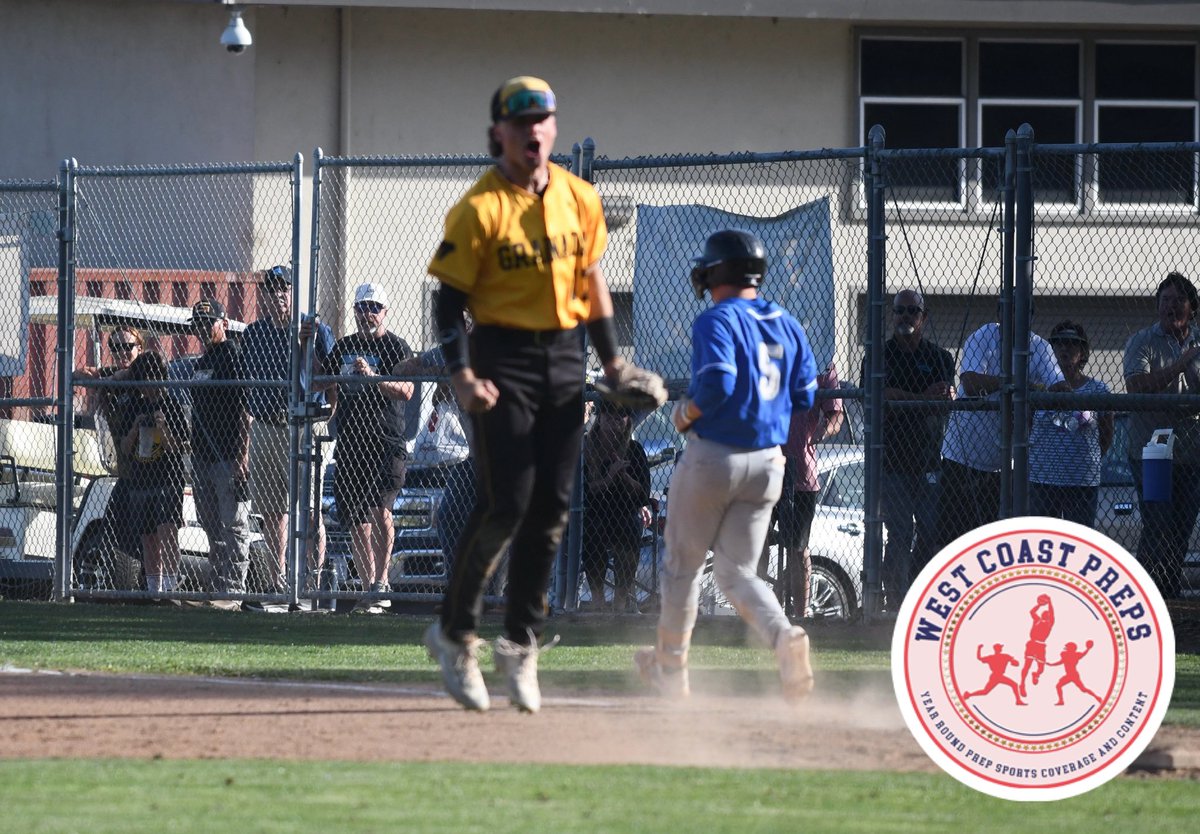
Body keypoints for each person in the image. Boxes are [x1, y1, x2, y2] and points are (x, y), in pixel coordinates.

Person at [425, 75, 661, 713]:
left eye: (543, 119)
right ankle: (456, 633)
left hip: (564, 358)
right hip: (502, 357)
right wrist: (462, 374)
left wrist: (613, 362)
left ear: (553, 128)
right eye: (519, 120)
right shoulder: (480, 208)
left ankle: (520, 643)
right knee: (509, 502)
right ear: (497, 134)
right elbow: (448, 302)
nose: (533, 130)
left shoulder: (580, 198)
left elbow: (590, 281)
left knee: (553, 509)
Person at [634, 228, 818, 702]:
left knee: (682, 568)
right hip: (770, 464)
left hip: (714, 455)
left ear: (718, 273)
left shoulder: (716, 319)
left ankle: (671, 674)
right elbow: (806, 395)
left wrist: (682, 413)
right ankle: (784, 637)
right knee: (737, 573)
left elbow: (716, 382)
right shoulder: (788, 322)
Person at [934, 307, 1068, 556]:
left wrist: (1047, 393)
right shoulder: (984, 336)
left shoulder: (1040, 348)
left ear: (1031, 316)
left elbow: (1058, 386)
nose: (1015, 318)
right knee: (950, 542)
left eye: (1022, 312)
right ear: (1000, 313)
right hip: (962, 456)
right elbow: (971, 383)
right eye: (1010, 311)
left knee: (994, 544)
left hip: (1004, 464)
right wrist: (1014, 384)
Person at [242, 265, 335, 601]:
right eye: (272, 289)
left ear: (294, 292)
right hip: (267, 425)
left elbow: (331, 380)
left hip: (304, 426)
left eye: (284, 288)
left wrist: (327, 414)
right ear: (264, 294)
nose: (278, 295)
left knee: (310, 510)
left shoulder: (315, 329)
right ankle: (277, 580)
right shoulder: (254, 334)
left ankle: (313, 579)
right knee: (272, 510)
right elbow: (246, 389)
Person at [861, 290, 955, 609]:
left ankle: (921, 598)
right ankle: (896, 604)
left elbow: (942, 399)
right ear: (892, 315)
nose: (905, 317)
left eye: (912, 311)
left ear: (923, 317)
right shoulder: (878, 356)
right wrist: (922, 398)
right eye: (899, 311)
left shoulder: (940, 358)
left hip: (929, 462)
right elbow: (879, 397)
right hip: (892, 463)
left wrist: (943, 396)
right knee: (899, 534)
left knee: (929, 534)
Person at [325, 282, 414, 614]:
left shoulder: (396, 347)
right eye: (362, 307)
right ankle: (368, 590)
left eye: (374, 307)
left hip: (385, 442)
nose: (368, 314)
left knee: (381, 510)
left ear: (385, 311)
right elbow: (326, 380)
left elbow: (406, 390)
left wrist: (372, 376)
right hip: (350, 441)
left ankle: (382, 582)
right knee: (356, 518)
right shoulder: (344, 346)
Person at [1123, 271, 1200, 599]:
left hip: (1191, 452)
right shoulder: (1143, 341)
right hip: (1152, 453)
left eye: (1178, 300)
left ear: (1191, 308)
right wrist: (1182, 364)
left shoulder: (1198, 342)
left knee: (1182, 527)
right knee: (1158, 525)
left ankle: (1168, 595)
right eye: (1165, 300)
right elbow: (1137, 385)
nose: (1171, 306)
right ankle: (1141, 594)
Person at [188, 297, 252, 610]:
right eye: (197, 324)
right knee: (211, 527)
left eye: (207, 323)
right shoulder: (201, 362)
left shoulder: (233, 356)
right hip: (201, 456)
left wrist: (243, 456)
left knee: (234, 525)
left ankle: (232, 591)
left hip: (227, 454)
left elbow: (244, 410)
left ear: (223, 324)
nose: (202, 329)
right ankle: (214, 586)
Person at [114, 350, 188, 598]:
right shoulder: (135, 405)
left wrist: (163, 428)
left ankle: (170, 587)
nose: (144, 385)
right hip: (141, 477)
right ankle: (152, 589)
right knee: (147, 536)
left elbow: (181, 446)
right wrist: (135, 427)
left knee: (167, 531)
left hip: (167, 478)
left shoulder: (172, 406)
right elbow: (124, 447)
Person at [1028, 321, 1113, 526]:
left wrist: (1088, 458)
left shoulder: (1097, 390)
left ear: (1083, 352)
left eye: (1072, 344)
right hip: (1043, 478)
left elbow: (1107, 433)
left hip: (1081, 480)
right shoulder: (1038, 387)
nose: (1065, 349)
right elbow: (1026, 425)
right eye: (1059, 344)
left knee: (1079, 540)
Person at [73, 325, 145, 562]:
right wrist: (104, 378)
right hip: (125, 472)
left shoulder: (146, 372)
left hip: (149, 471)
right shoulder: (111, 376)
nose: (122, 352)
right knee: (115, 529)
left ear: (140, 348)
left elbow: (136, 374)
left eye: (127, 347)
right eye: (115, 347)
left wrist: (112, 379)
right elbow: (76, 375)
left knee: (144, 534)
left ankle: (156, 586)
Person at [776, 365, 842, 617]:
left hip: (801, 474)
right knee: (756, 540)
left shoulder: (822, 366)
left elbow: (835, 415)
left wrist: (825, 430)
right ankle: (758, 609)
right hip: (764, 467)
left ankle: (800, 616)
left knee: (797, 548)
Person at [582, 400, 651, 613]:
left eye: (621, 417)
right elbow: (583, 491)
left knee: (629, 530)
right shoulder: (587, 445)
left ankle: (622, 598)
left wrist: (624, 476)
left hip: (625, 511)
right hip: (594, 511)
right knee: (593, 532)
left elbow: (643, 494)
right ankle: (598, 598)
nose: (615, 422)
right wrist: (609, 476)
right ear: (600, 419)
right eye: (609, 416)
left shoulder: (634, 449)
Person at [961, 643, 1026, 706]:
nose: (1001, 649)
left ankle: (969, 695)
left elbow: (979, 658)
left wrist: (979, 649)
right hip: (996, 676)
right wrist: (979, 648)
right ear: (999, 649)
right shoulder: (1003, 656)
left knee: (985, 691)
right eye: (1000, 648)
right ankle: (969, 694)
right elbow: (1016, 663)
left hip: (995, 676)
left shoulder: (998, 657)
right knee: (1014, 685)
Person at [1018, 593, 1054, 699]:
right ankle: (1022, 684)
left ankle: (1036, 674)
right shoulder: (1037, 620)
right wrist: (1039, 605)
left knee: (1041, 668)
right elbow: (1031, 612)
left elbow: (1052, 613)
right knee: (1027, 665)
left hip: (1041, 646)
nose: (1045, 615)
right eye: (1044, 613)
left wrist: (1050, 602)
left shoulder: (1049, 623)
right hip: (1032, 644)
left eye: (1047, 614)